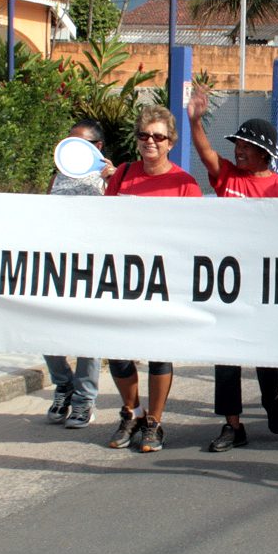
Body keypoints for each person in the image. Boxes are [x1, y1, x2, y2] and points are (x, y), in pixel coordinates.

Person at [188, 87, 278, 451]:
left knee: (266, 353)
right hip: (227, 283)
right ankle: (232, 425)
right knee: (227, 356)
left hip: (264, 285)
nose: (238, 149)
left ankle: (271, 401)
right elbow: (204, 152)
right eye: (237, 144)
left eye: (246, 145)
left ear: (264, 152)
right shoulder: (227, 176)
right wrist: (194, 119)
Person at [102, 105, 201, 453]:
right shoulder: (123, 174)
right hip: (121, 278)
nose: (150, 142)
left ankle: (154, 423)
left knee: (159, 352)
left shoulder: (185, 184)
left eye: (158, 137)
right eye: (144, 136)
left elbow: (197, 236)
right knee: (118, 352)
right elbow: (104, 220)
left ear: (171, 142)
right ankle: (132, 413)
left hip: (165, 280)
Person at [44, 119, 115, 430]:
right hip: (57, 264)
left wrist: (114, 180)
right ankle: (63, 385)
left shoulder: (111, 177)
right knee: (44, 329)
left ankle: (85, 400)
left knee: (88, 334)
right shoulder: (58, 176)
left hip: (93, 267)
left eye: (81, 142)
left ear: (97, 147)